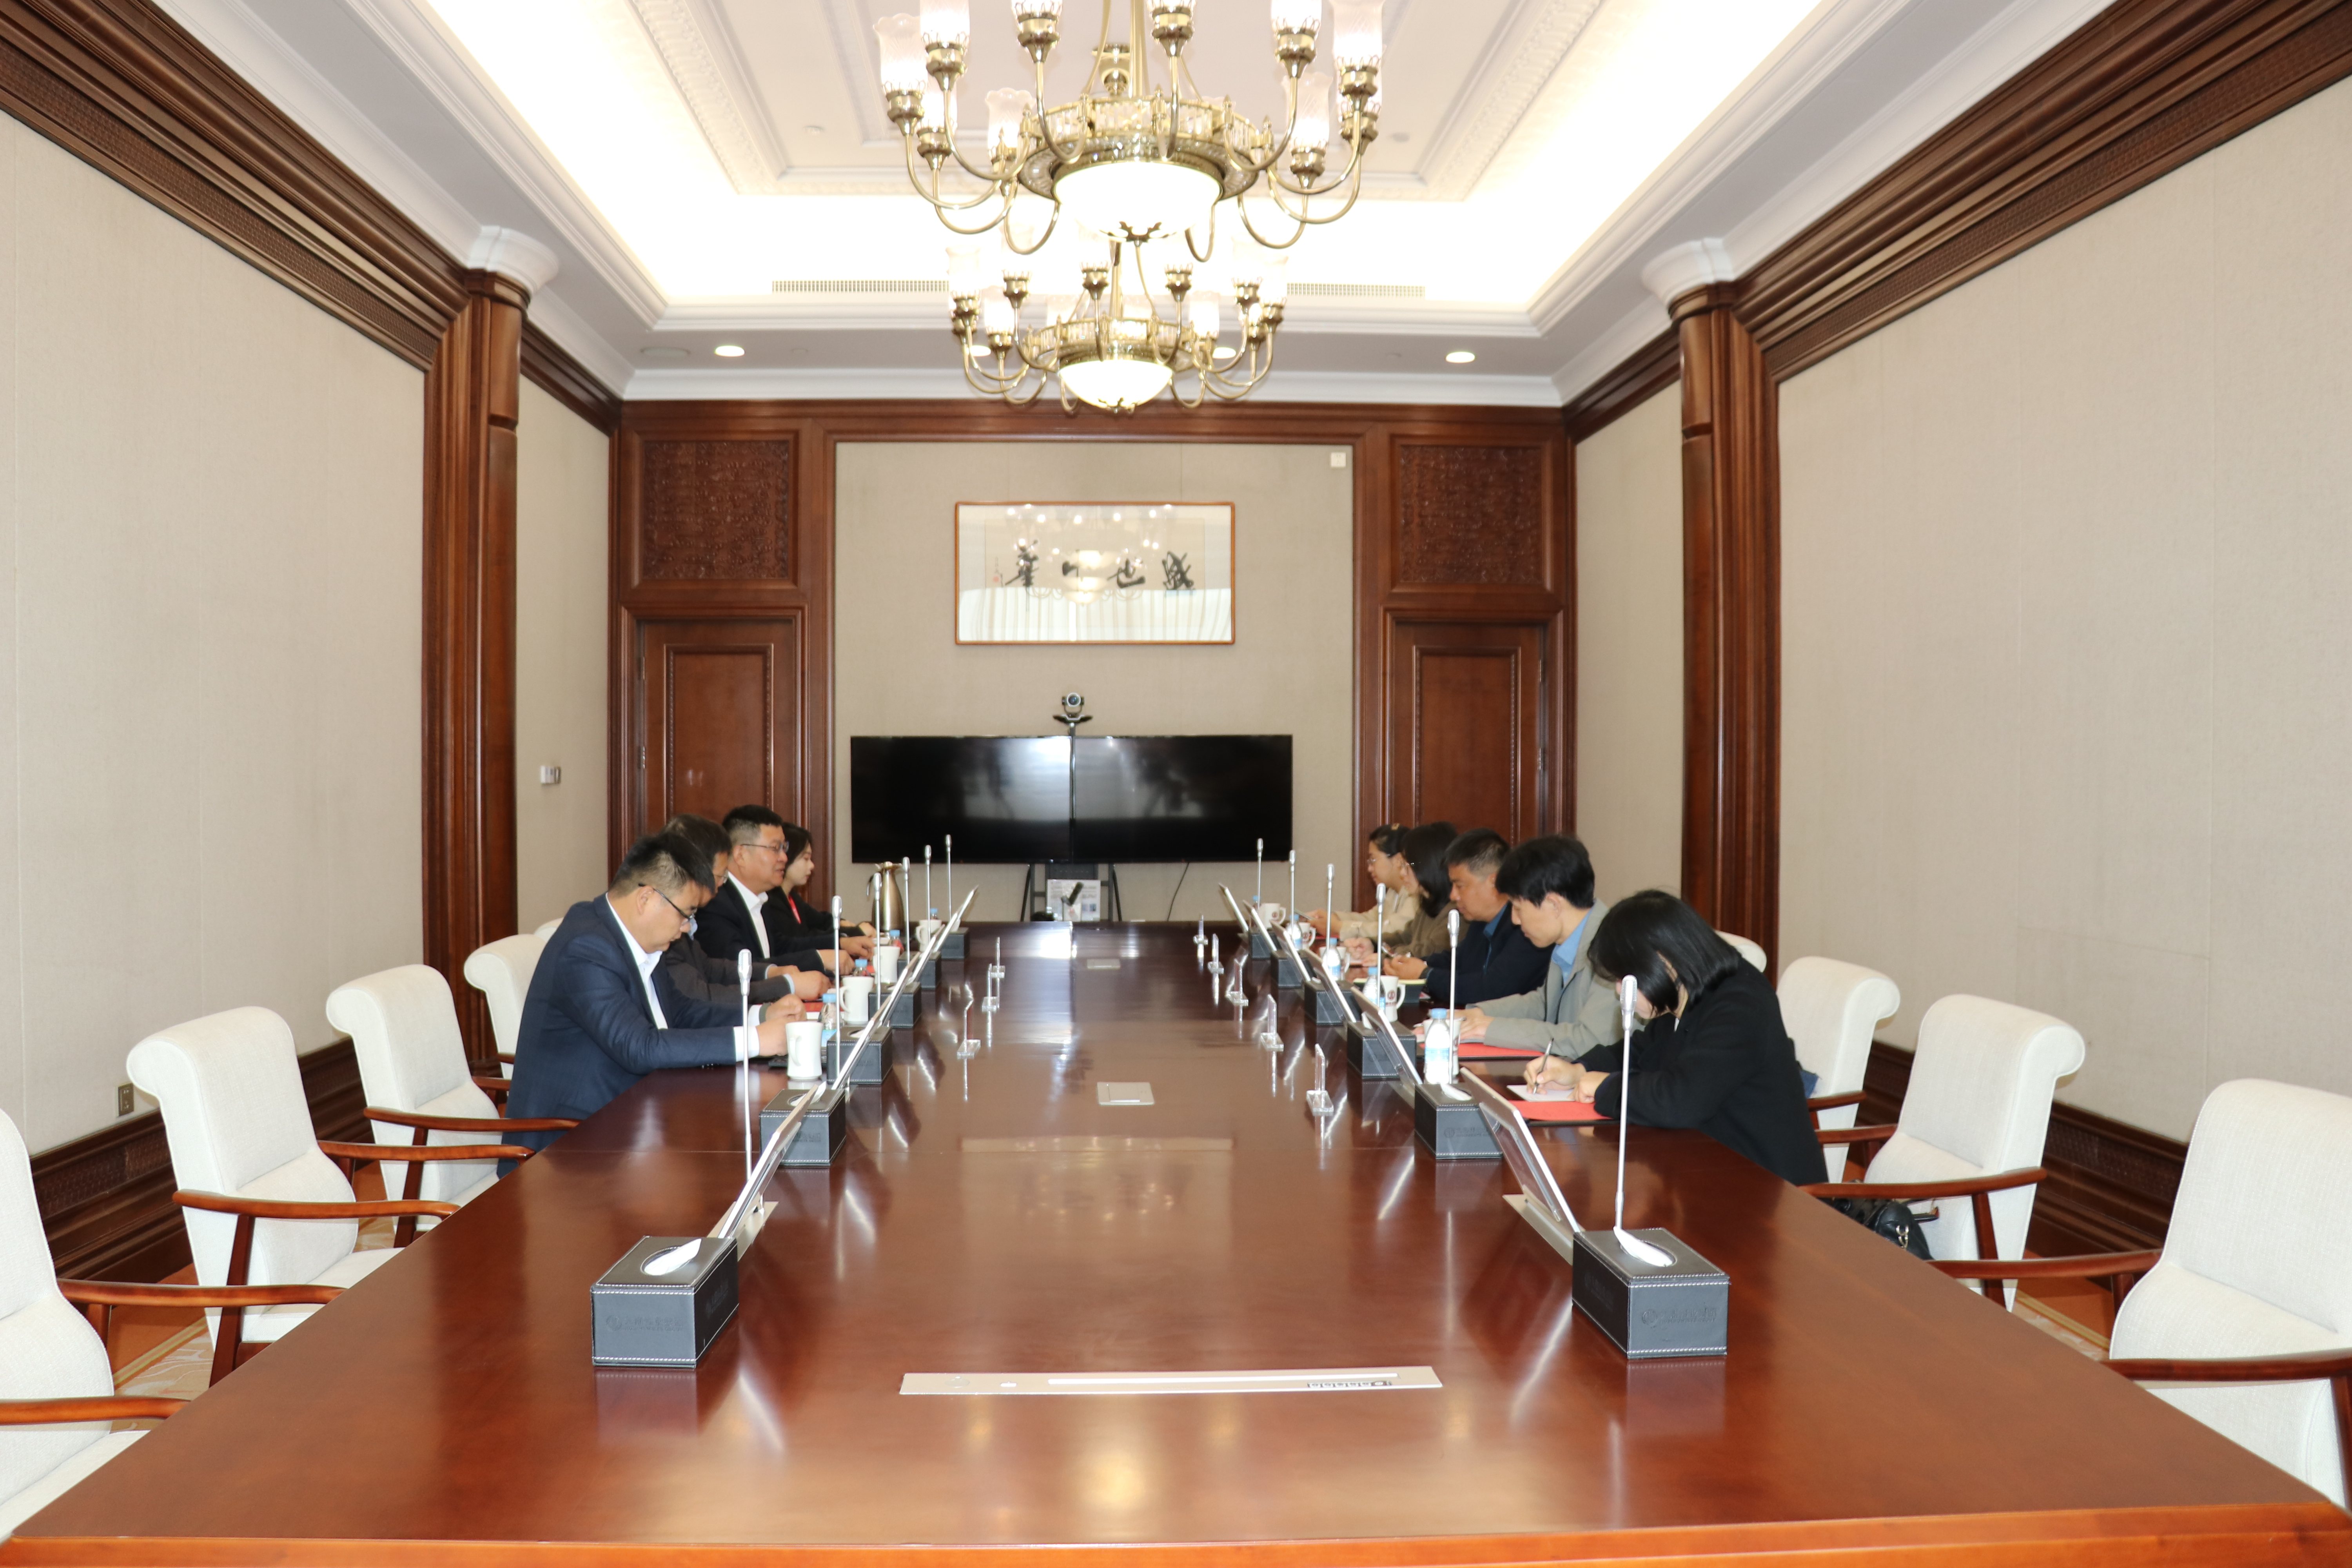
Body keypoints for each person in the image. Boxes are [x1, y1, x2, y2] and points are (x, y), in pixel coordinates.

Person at [505, 832, 793, 1153]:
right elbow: (639, 1047)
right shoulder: (585, 949)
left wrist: (761, 1015)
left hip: (633, 1116)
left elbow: (681, 1011)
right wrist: (756, 1040)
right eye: (686, 914)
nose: (687, 928)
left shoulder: (635, 937)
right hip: (571, 1144)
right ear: (646, 899)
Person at [1543, 889, 1824, 1187]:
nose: (1619, 991)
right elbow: (1641, 1050)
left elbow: (1679, 1101)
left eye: (1624, 978)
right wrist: (1579, 1070)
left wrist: (1607, 1087)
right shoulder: (1689, 991)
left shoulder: (1741, 1003)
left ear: (1663, 961)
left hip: (1773, 1188)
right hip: (1710, 1169)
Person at [1451, 835, 1620, 1069]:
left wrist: (1491, 1029)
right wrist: (1478, 1014)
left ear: (1554, 904)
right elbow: (1544, 1004)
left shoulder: (1614, 947)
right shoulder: (1566, 939)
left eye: (1518, 908)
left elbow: (1589, 1040)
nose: (1515, 920)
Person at [660, 814, 827, 1006]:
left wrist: (771, 972)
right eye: (721, 875)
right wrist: (786, 985)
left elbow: (710, 968)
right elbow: (699, 999)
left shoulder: (761, 897)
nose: (722, 883)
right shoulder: (712, 908)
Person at [1386, 829, 1552, 1007]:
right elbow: (1457, 961)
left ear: (1494, 882)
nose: (1453, 896)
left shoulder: (1526, 927)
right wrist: (1414, 964)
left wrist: (1426, 975)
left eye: (1460, 886)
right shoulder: (1480, 922)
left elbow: (1492, 989)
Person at [1347, 820, 1455, 964]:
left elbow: (1429, 951)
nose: (1402, 873)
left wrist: (1386, 958)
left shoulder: (1455, 910)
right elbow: (1405, 937)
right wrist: (1373, 944)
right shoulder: (1427, 904)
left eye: (1407, 865)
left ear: (1429, 865)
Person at [1304, 823, 1414, 942]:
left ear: (1398, 860)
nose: (1370, 869)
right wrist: (1334, 918)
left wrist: (1339, 927)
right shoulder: (1393, 891)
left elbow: (1392, 930)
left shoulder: (1415, 893)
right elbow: (1372, 918)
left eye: (1373, 860)